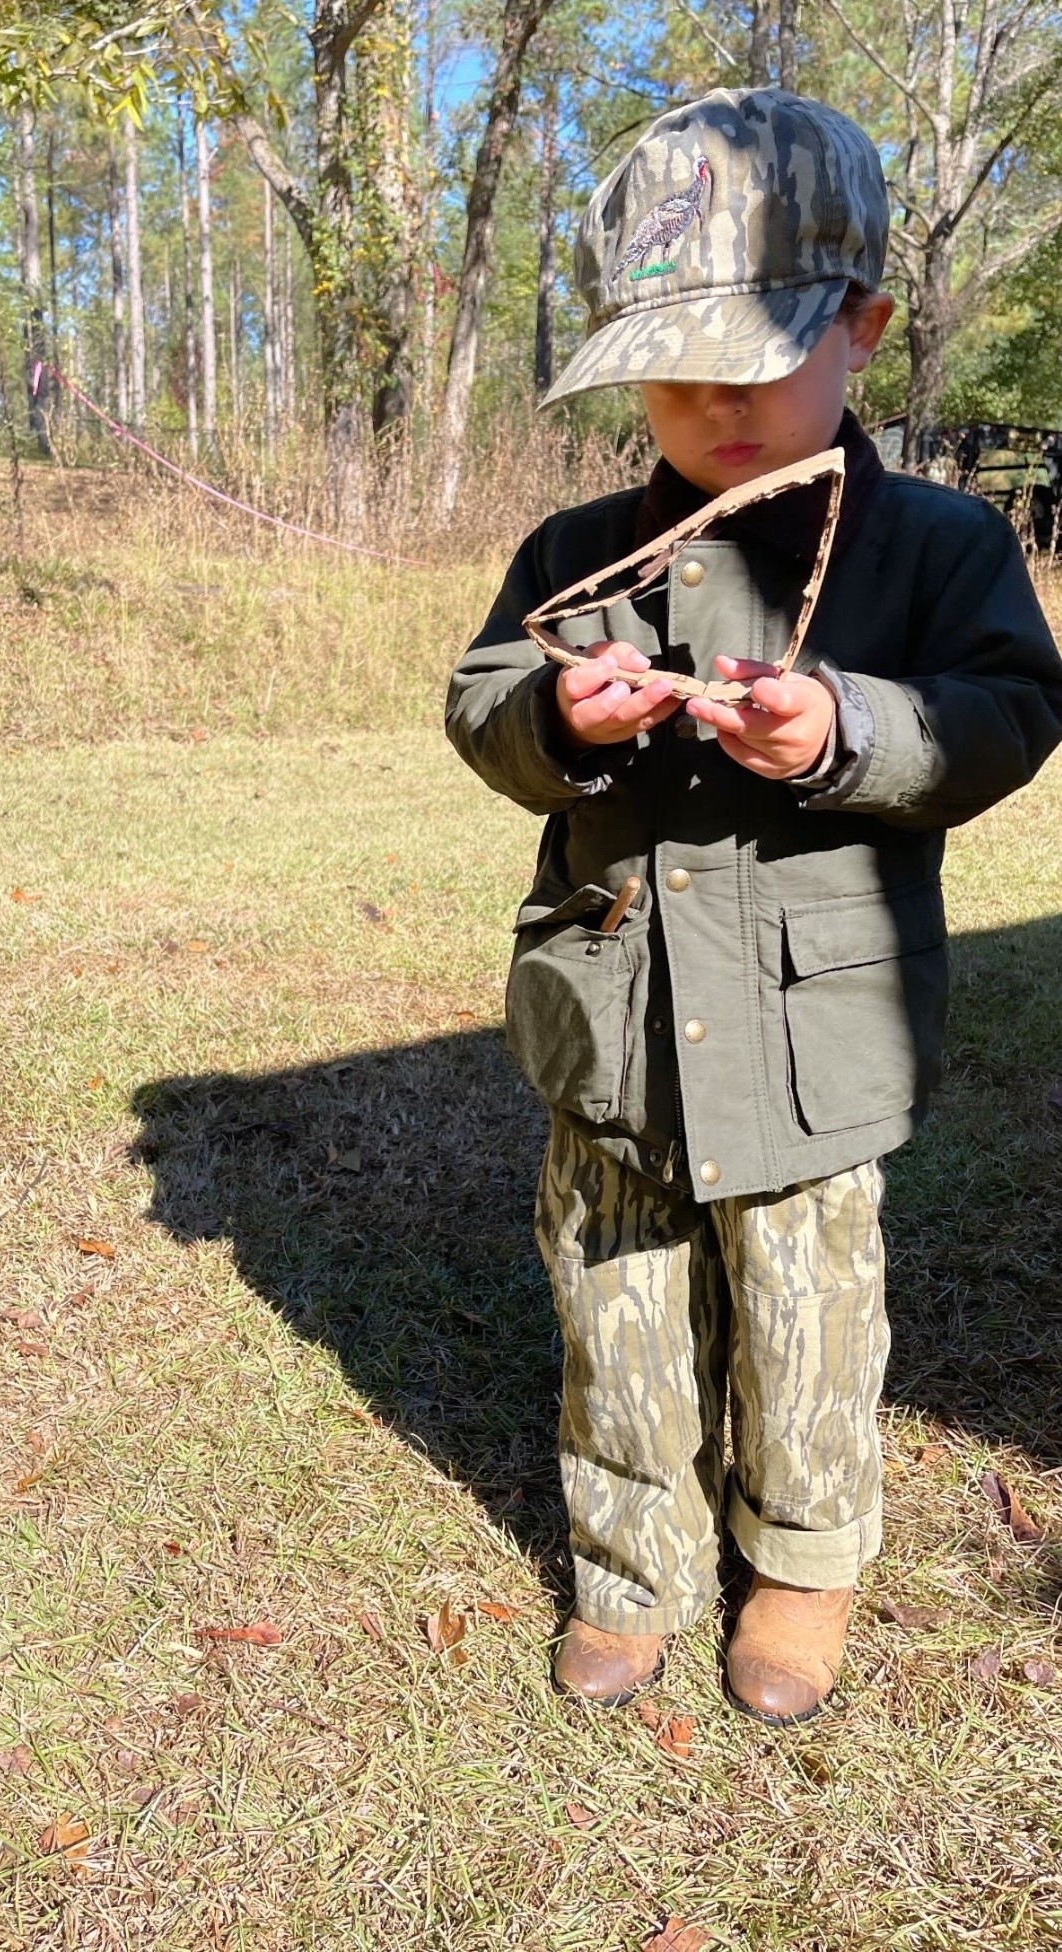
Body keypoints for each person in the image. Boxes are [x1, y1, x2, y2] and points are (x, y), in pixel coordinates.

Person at [445, 87, 1062, 1724]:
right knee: (617, 1304)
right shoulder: (578, 552)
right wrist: (558, 718)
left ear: (863, 329)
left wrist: (848, 729)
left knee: (807, 1312)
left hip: (813, 1036)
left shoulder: (939, 546)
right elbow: (481, 702)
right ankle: (629, 1572)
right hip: (614, 1021)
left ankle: (801, 1569)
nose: (715, 400)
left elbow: (1010, 711)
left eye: (757, 357)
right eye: (675, 368)